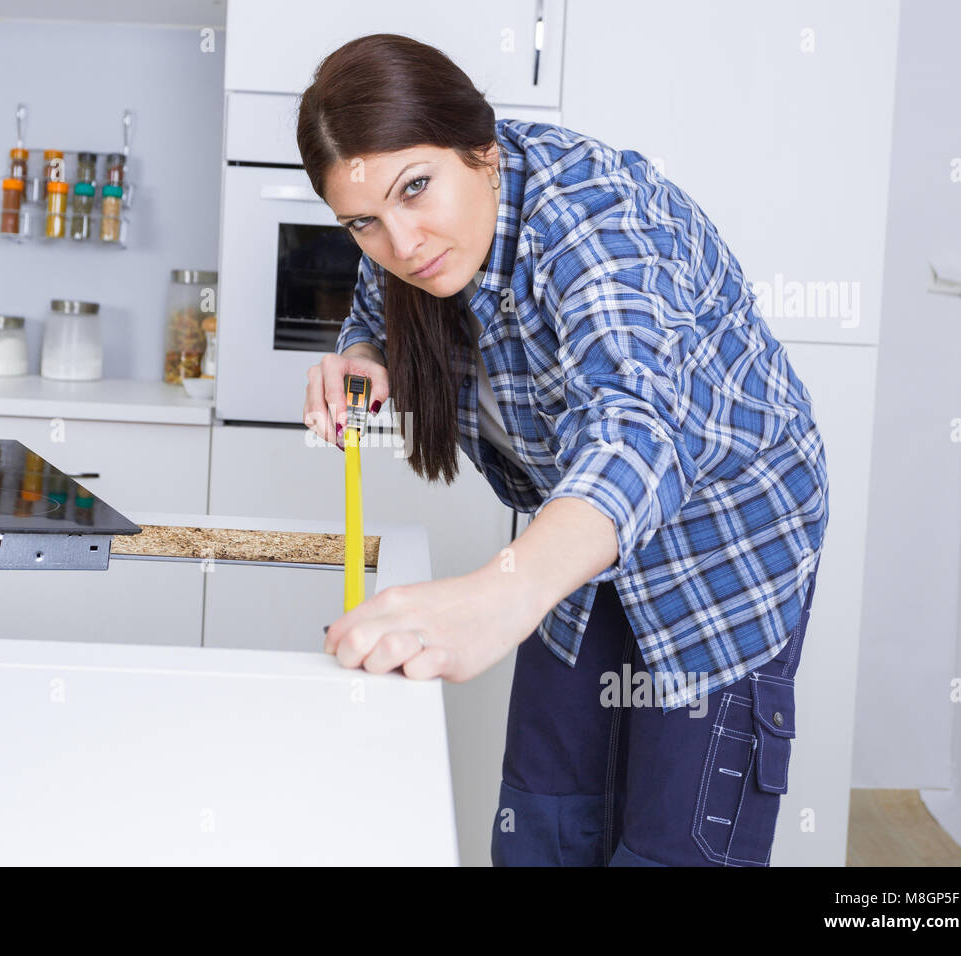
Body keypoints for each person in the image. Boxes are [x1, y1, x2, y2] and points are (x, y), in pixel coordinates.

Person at [299, 33, 829, 866]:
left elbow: (641, 427)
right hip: (573, 537)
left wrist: (497, 598)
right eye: (363, 221)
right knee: (544, 824)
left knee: (674, 845)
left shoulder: (593, 219)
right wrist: (363, 359)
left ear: (482, 147)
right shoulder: (410, 242)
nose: (400, 243)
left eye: (416, 188)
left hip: (720, 546)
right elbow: (378, 306)